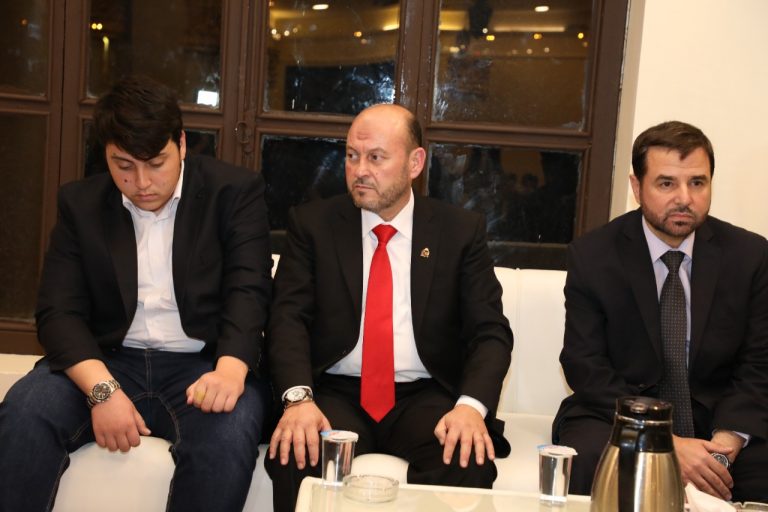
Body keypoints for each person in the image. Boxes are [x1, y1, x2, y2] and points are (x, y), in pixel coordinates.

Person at [0, 76, 273, 511]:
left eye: (156, 163)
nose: (142, 182)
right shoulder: (81, 204)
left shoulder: (233, 192)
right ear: (105, 155)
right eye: (123, 165)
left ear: (181, 144)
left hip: (202, 365)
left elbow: (250, 289)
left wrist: (230, 370)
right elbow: (57, 312)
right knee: (27, 410)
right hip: (108, 359)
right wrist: (102, 391)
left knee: (227, 433)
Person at [265, 103, 513, 511]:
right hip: (335, 392)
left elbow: (490, 333)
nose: (359, 170)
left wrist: (470, 408)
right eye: (351, 155)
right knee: (298, 450)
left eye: (376, 157)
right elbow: (286, 319)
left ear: (415, 163)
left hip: (425, 393)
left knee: (466, 458)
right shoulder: (313, 225)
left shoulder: (458, 231)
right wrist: (298, 400)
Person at [552, 120, 768, 501]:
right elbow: (585, 365)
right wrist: (664, 440)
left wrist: (723, 445)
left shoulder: (749, 256)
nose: (684, 198)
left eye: (697, 183)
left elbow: (759, 362)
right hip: (621, 415)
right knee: (593, 459)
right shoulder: (593, 256)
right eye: (666, 183)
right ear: (637, 188)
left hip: (719, 420)